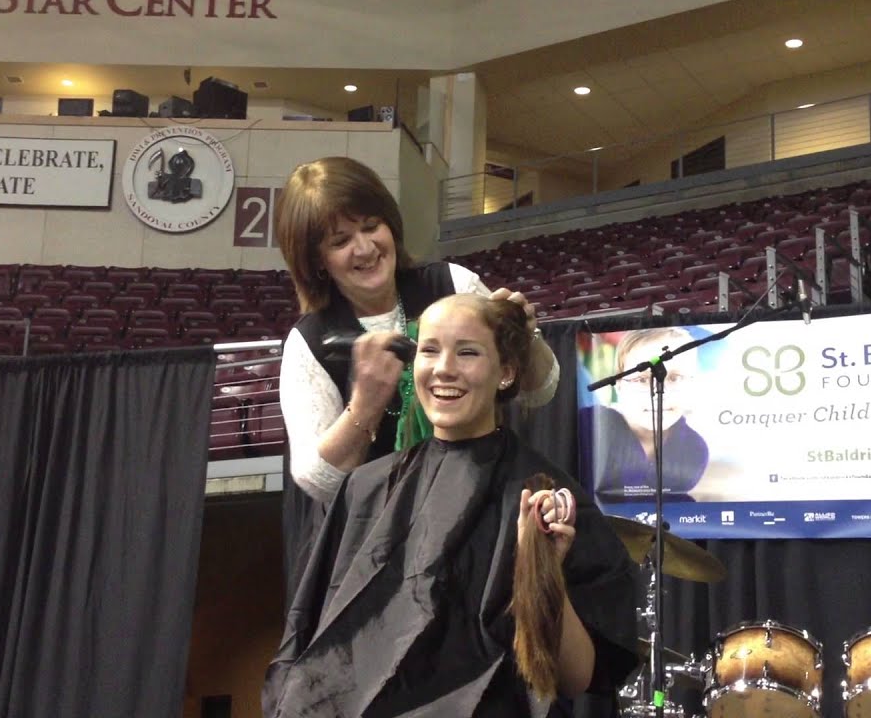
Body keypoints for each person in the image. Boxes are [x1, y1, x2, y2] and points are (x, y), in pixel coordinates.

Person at [263, 294, 639, 717]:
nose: (443, 368)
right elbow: (312, 653)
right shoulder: (365, 491)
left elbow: (577, 677)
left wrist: (544, 573)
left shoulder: (542, 498)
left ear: (506, 372)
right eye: (429, 350)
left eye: (467, 352)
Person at [276, 156, 560, 601]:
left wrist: (529, 338)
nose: (365, 248)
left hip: (481, 524)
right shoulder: (308, 342)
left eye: (372, 226)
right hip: (377, 555)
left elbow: (540, 390)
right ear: (316, 260)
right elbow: (317, 480)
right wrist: (365, 403)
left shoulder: (455, 284)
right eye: (341, 240)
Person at [581, 327, 709, 503]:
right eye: (641, 379)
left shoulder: (694, 451)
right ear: (618, 385)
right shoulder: (587, 428)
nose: (659, 393)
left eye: (675, 378)